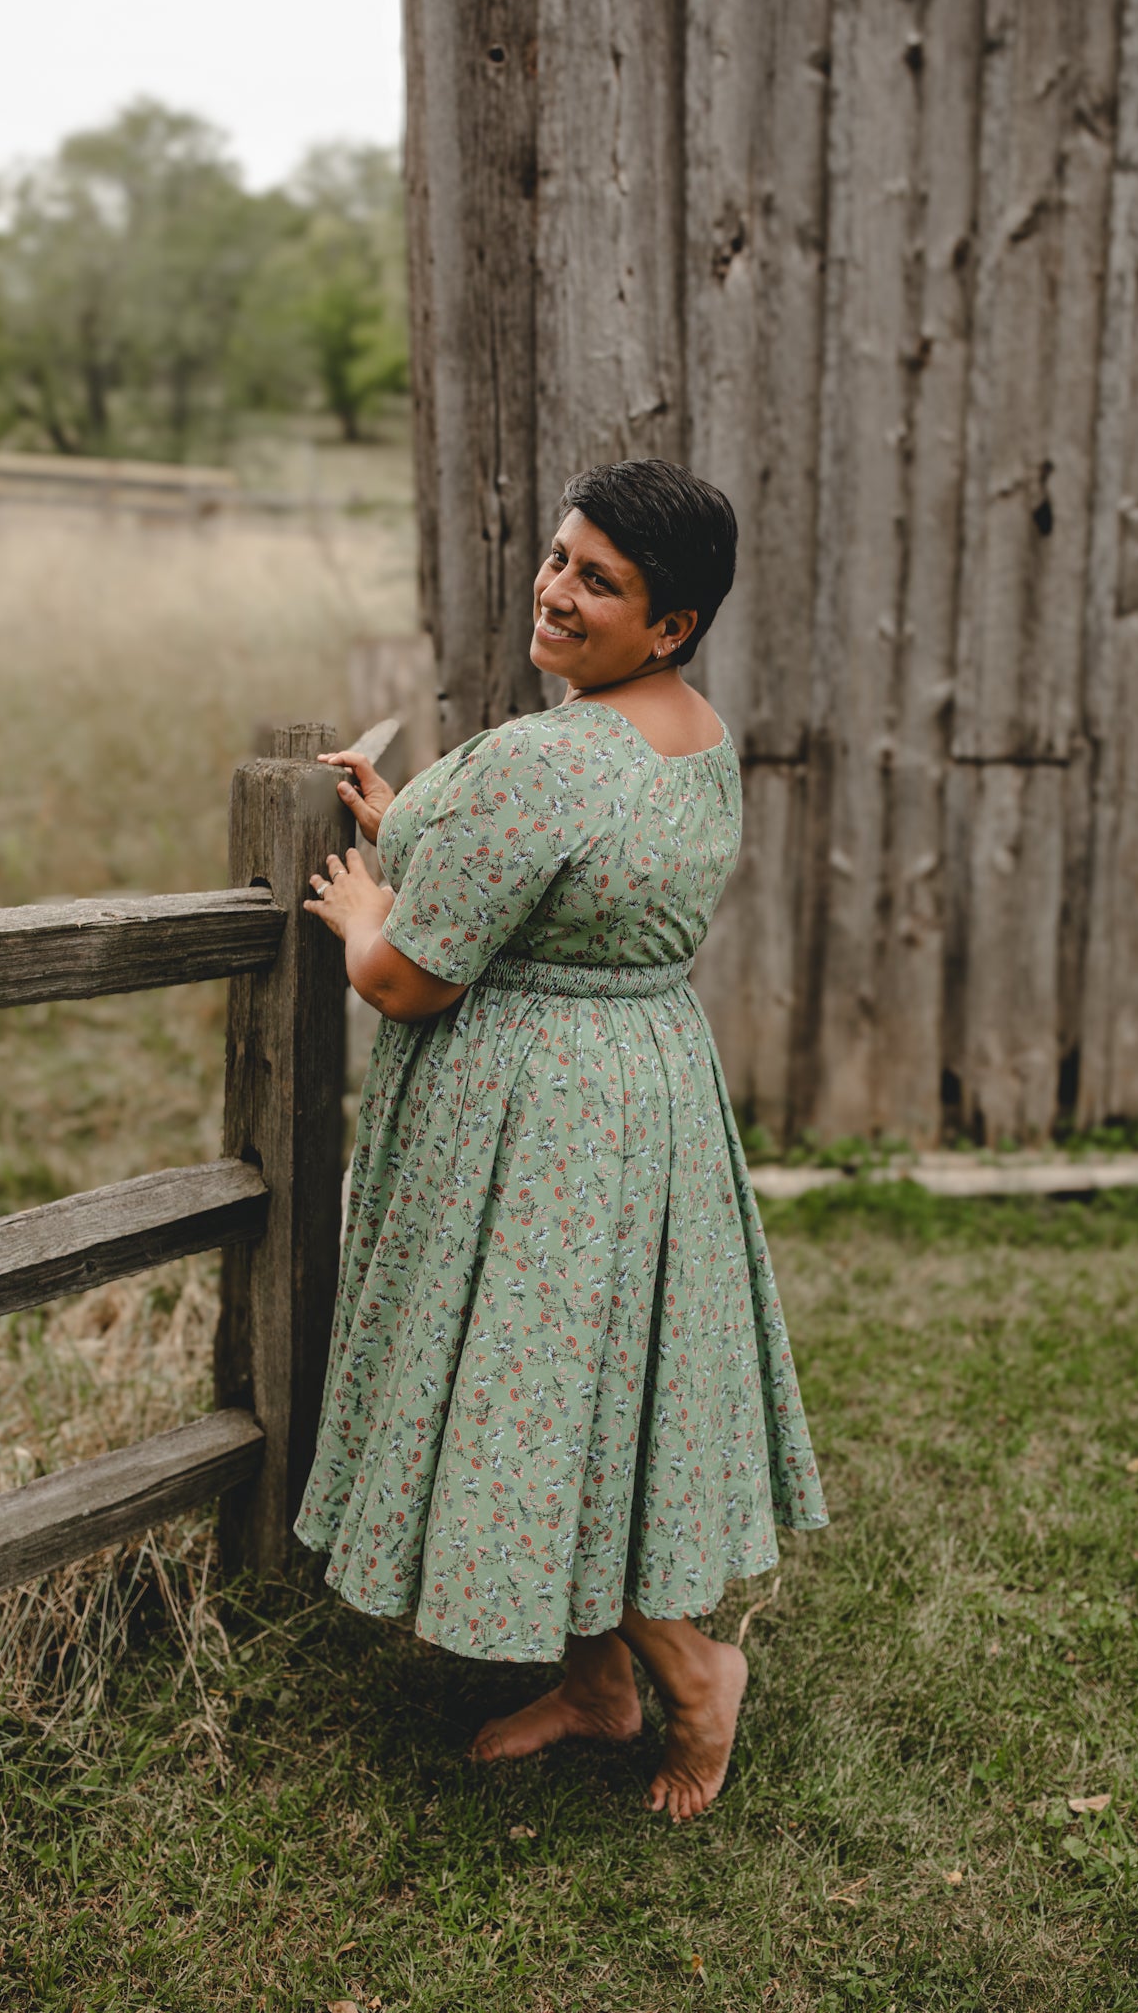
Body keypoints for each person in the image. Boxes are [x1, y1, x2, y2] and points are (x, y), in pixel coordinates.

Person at [297, 458, 828, 1822]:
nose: (558, 590)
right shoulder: (689, 734)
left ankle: (697, 1678)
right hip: (636, 1092)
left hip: (536, 1123)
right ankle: (597, 1689)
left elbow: (413, 978)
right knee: (585, 1388)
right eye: (557, 557)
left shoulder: (550, 758)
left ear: (670, 624)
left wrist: (365, 904)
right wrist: (407, 820)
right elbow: (560, 870)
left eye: (601, 580)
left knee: (548, 1403)